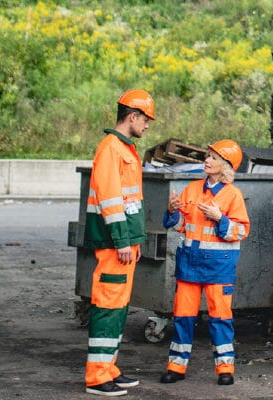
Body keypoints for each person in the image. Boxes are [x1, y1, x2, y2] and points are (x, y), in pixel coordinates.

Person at [159, 139, 250, 386]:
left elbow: (241, 231)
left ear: (226, 166)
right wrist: (172, 211)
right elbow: (180, 226)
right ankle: (176, 367)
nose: (207, 161)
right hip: (189, 265)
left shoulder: (233, 195)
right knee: (183, 317)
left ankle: (225, 368)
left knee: (220, 318)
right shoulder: (191, 189)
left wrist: (220, 218)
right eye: (207, 156)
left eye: (213, 157)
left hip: (219, 268)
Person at [83, 89, 155, 397]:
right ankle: (97, 376)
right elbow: (111, 200)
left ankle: (108, 368)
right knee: (108, 306)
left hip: (123, 243)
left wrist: (132, 242)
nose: (148, 126)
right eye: (146, 119)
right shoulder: (111, 149)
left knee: (118, 307)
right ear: (133, 116)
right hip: (115, 243)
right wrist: (123, 240)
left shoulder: (123, 148)